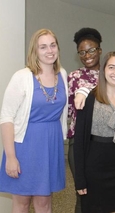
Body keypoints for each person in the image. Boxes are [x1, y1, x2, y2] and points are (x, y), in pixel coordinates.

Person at [0, 28, 68, 212]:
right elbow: (6, 118)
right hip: (25, 146)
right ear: (34, 51)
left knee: (44, 202)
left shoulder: (62, 74)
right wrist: (11, 157)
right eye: (43, 47)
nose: (49, 51)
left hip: (50, 145)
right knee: (22, 202)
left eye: (52, 45)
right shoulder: (22, 77)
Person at [73, 51, 115, 213]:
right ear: (103, 70)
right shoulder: (89, 98)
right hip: (94, 166)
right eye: (112, 67)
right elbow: (79, 141)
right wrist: (80, 179)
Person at [67, 27, 102, 213]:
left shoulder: (110, 75)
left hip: (103, 143)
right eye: (82, 52)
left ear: (100, 50)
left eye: (91, 50)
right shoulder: (73, 78)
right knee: (83, 194)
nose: (86, 55)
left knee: (103, 195)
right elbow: (64, 110)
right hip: (79, 143)